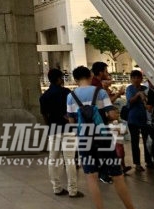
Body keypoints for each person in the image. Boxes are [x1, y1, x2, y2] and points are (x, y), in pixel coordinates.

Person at [67, 65, 136, 209]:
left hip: (85, 140)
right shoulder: (100, 92)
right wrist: (104, 117)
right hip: (103, 137)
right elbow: (112, 115)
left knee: (91, 177)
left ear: (75, 80)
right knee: (117, 175)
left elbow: (72, 122)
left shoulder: (70, 97)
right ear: (90, 76)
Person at [39, 68, 82, 198]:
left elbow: (44, 114)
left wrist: (50, 126)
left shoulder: (44, 96)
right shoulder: (67, 93)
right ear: (59, 79)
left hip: (53, 130)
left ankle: (57, 188)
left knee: (52, 159)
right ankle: (73, 190)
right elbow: (75, 110)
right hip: (68, 129)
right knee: (69, 160)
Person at [126, 69, 154, 171]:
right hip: (133, 119)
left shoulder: (145, 88)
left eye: (138, 77)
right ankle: (137, 163)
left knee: (147, 141)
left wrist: (144, 96)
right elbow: (130, 101)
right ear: (131, 79)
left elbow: (149, 102)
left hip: (145, 119)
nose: (136, 79)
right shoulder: (129, 89)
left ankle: (149, 161)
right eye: (134, 78)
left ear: (141, 79)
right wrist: (138, 94)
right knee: (135, 142)